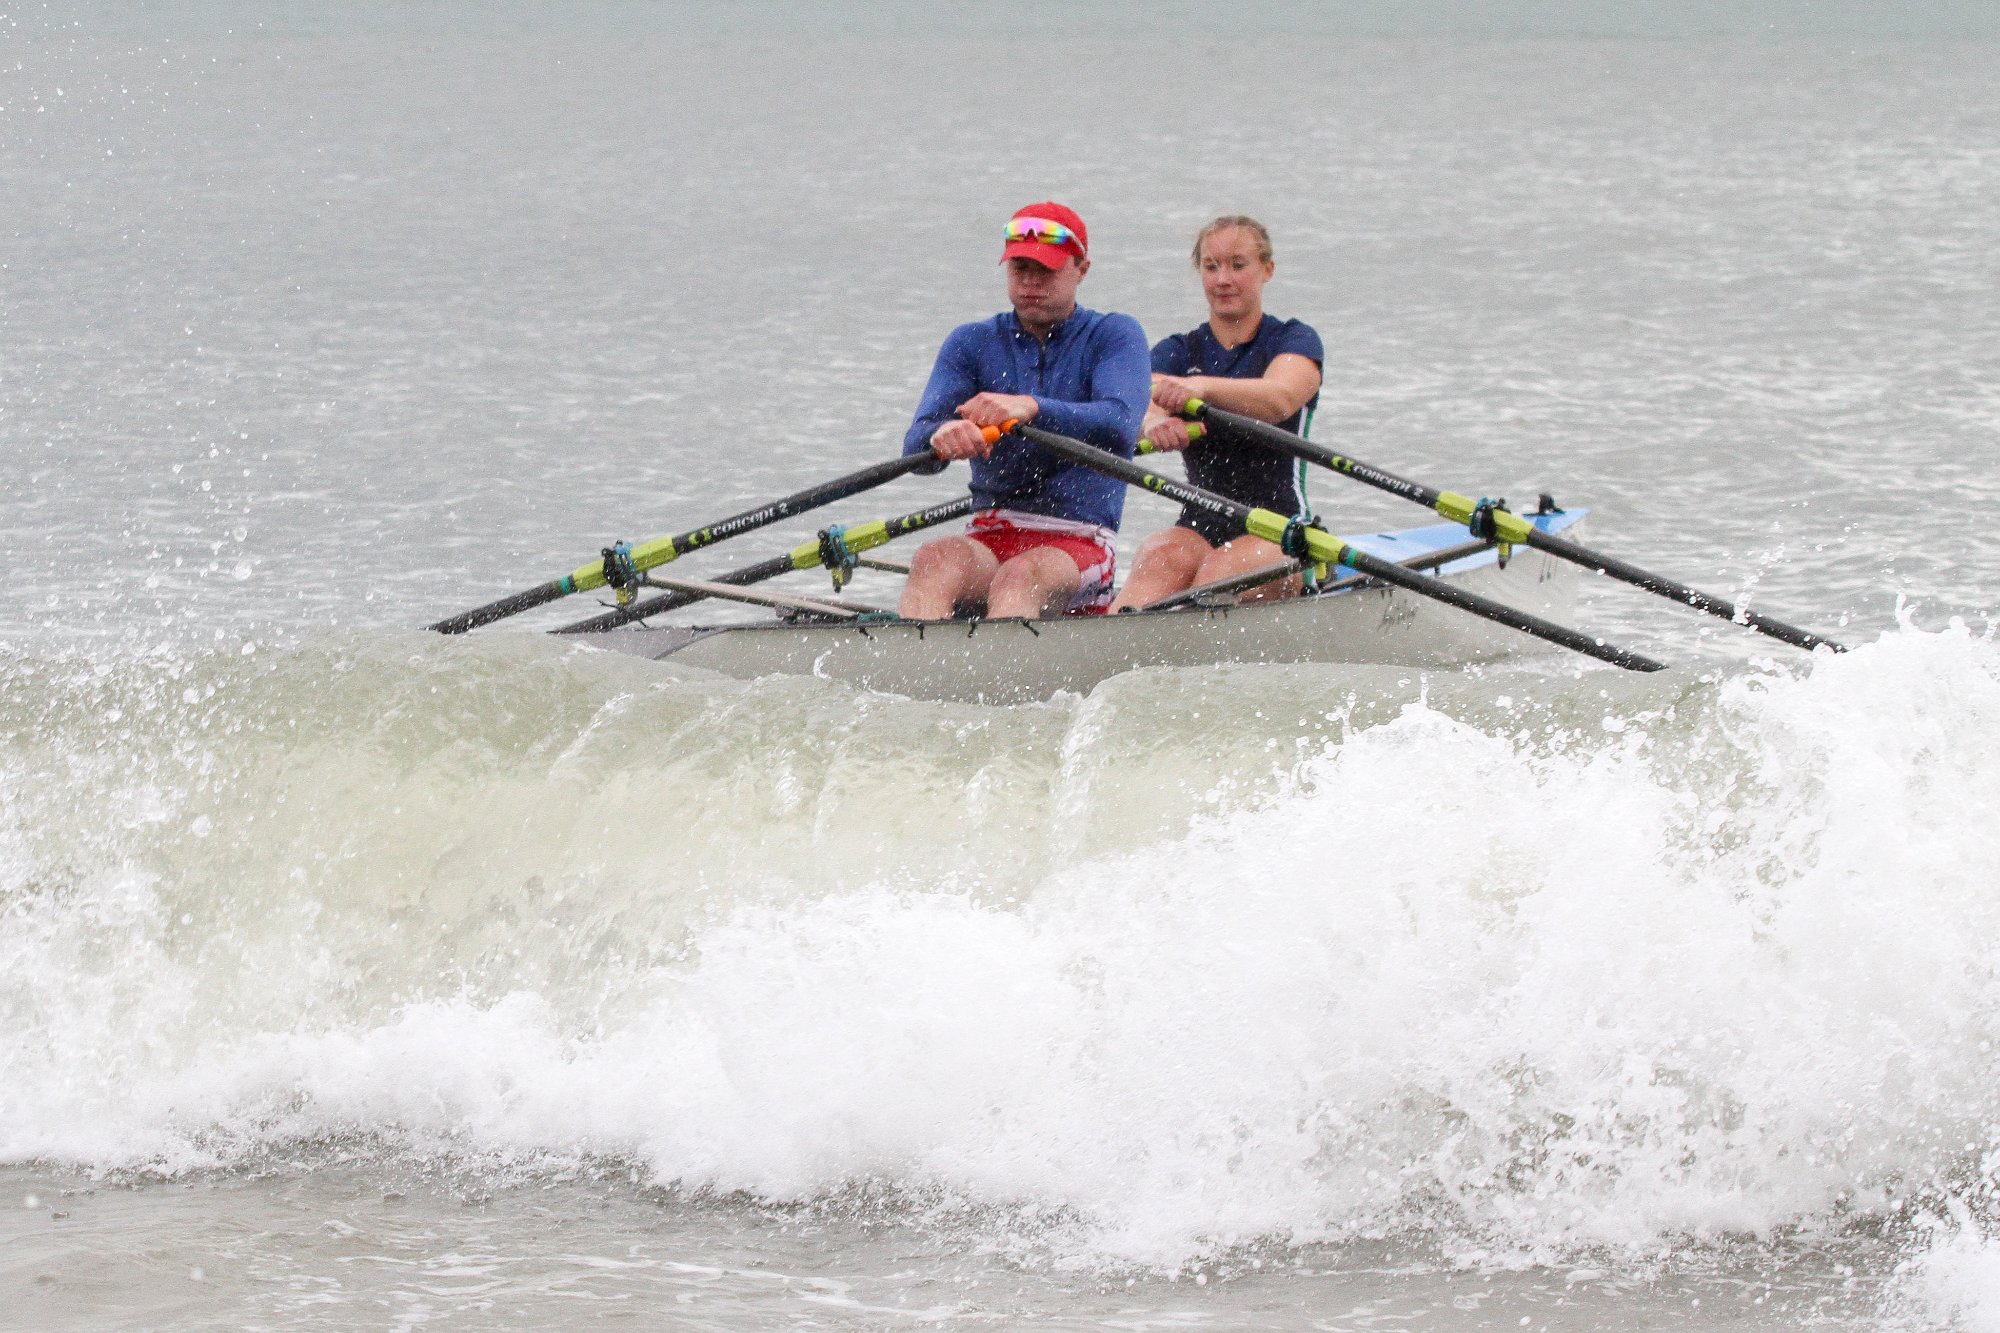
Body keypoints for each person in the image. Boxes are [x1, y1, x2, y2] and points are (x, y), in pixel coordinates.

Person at [897, 202, 1151, 620]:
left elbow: (1120, 425)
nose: (1031, 283)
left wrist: (1032, 407)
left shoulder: (1114, 335)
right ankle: (910, 680)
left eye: (1046, 271)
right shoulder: (971, 342)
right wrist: (941, 436)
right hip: (990, 533)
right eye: (1020, 270)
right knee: (933, 558)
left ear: (1082, 269)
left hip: (1080, 539)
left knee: (1019, 577)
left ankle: (998, 682)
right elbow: (916, 451)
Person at [1106, 216, 1324, 613]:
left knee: (1219, 572)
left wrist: (1201, 389)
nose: (1223, 279)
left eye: (1238, 265)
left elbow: (1279, 399)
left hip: (1281, 527)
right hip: (1199, 521)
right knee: (1159, 561)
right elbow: (1138, 403)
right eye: (1211, 266)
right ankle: (1107, 652)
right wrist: (1155, 425)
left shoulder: (1292, 340)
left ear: (1267, 270)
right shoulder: (1178, 350)